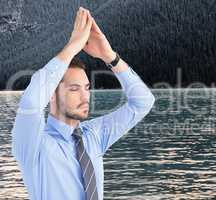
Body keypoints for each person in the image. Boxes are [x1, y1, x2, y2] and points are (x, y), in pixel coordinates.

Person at [11, 6, 155, 200]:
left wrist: (109, 56)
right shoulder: (34, 144)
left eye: (86, 88)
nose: (85, 96)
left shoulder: (94, 135)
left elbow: (143, 103)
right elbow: (31, 102)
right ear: (51, 95)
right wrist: (72, 47)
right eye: (74, 89)